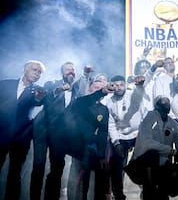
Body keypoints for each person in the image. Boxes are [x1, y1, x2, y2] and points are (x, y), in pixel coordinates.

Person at [125, 96, 178, 200]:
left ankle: (170, 190)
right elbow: (147, 143)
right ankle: (149, 191)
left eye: (168, 102)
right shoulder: (149, 117)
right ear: (156, 105)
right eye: (163, 102)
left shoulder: (172, 123)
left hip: (162, 166)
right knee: (152, 154)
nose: (166, 105)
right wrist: (172, 151)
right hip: (141, 165)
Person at [47, 80, 111, 200]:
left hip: (82, 146)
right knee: (56, 172)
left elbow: (103, 132)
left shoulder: (103, 110)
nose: (98, 90)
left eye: (101, 88)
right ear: (89, 90)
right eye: (95, 88)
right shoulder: (80, 102)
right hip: (63, 141)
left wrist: (102, 155)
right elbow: (89, 99)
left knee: (94, 171)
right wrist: (101, 91)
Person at [0, 60, 46, 200]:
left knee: (15, 174)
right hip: (1, 134)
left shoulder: (38, 90)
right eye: (35, 70)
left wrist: (39, 97)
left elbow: (39, 101)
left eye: (40, 72)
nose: (37, 73)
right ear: (25, 69)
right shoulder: (4, 84)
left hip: (21, 138)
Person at [40, 61, 79, 200]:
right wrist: (59, 90)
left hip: (71, 135)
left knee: (69, 167)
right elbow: (45, 98)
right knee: (56, 168)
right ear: (62, 73)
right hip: (54, 133)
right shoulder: (52, 84)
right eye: (67, 70)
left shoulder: (76, 89)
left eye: (73, 70)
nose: (71, 72)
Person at [104, 75, 145, 200]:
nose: (118, 87)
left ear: (125, 85)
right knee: (116, 168)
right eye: (115, 85)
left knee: (142, 163)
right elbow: (110, 124)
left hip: (137, 133)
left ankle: (146, 189)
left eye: (121, 84)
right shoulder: (108, 100)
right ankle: (118, 195)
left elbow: (139, 94)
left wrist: (139, 85)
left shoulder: (132, 94)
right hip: (120, 136)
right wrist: (116, 142)